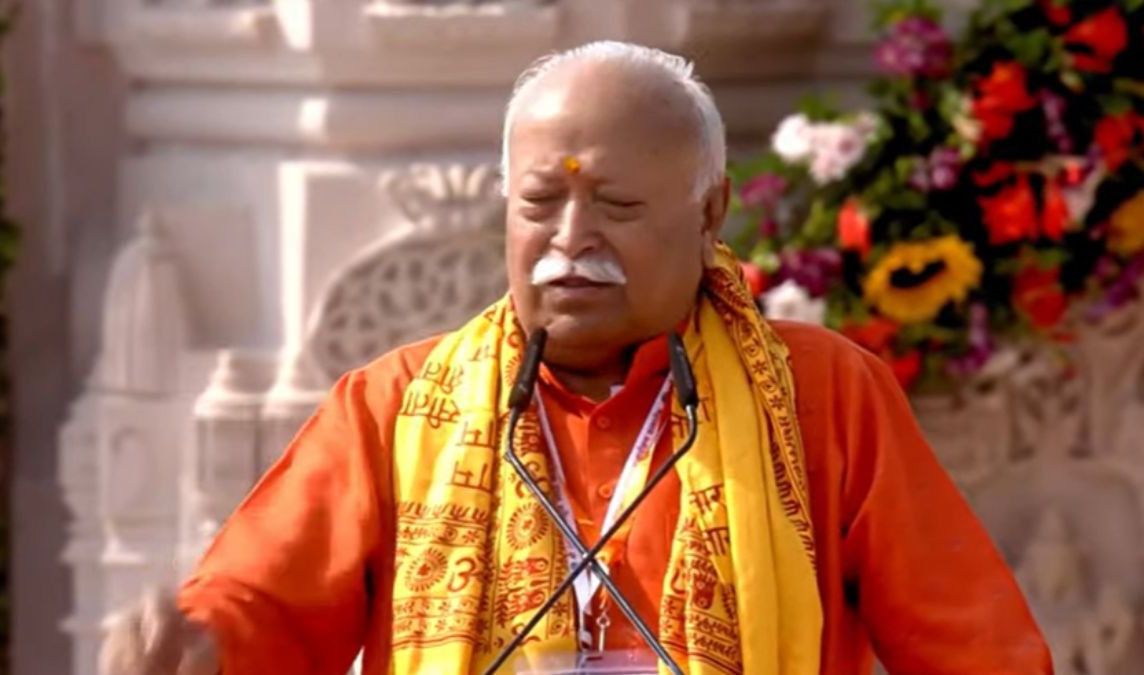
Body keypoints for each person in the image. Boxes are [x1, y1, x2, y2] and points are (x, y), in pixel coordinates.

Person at [100, 41, 1052, 675]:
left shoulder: (822, 392)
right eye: (538, 204)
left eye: (618, 206)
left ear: (711, 213)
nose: (569, 239)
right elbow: (261, 600)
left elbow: (977, 649)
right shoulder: (395, 405)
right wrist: (199, 642)